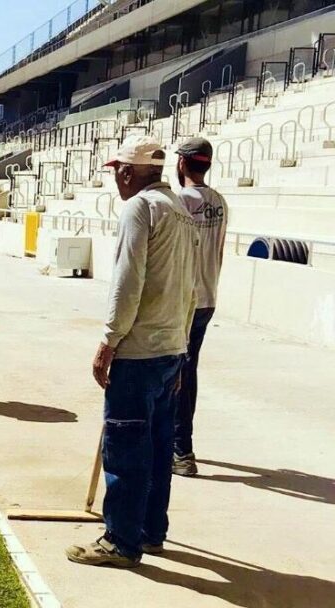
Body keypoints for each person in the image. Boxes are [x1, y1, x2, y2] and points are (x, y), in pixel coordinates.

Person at [67, 136, 198, 568]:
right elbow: (189, 289)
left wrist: (109, 340)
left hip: (139, 351)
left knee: (125, 446)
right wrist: (181, 346)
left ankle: (121, 540)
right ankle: (149, 530)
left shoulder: (139, 208)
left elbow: (128, 283)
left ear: (127, 172)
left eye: (117, 173)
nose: (116, 181)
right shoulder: (180, 209)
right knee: (159, 448)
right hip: (169, 350)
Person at [173, 137, 228, 477]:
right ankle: (179, 445)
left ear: (182, 164)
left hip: (184, 300)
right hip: (207, 297)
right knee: (187, 370)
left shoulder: (181, 202)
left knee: (177, 374)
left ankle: (181, 450)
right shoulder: (219, 202)